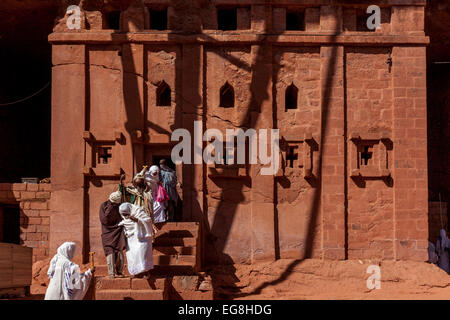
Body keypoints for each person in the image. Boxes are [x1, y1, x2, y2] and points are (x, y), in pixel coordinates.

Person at [118, 202, 154, 278]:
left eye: (125, 214)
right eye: (123, 214)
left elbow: (148, 220)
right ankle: (136, 272)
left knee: (143, 254)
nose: (124, 216)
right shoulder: (124, 215)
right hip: (131, 238)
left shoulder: (138, 211)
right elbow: (125, 222)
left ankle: (146, 272)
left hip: (142, 237)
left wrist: (137, 220)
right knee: (132, 255)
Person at [99, 191, 127, 279]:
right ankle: (111, 273)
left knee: (119, 251)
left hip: (118, 231)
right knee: (109, 252)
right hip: (107, 232)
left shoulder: (120, 206)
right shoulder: (104, 206)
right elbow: (104, 220)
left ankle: (119, 271)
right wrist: (110, 207)